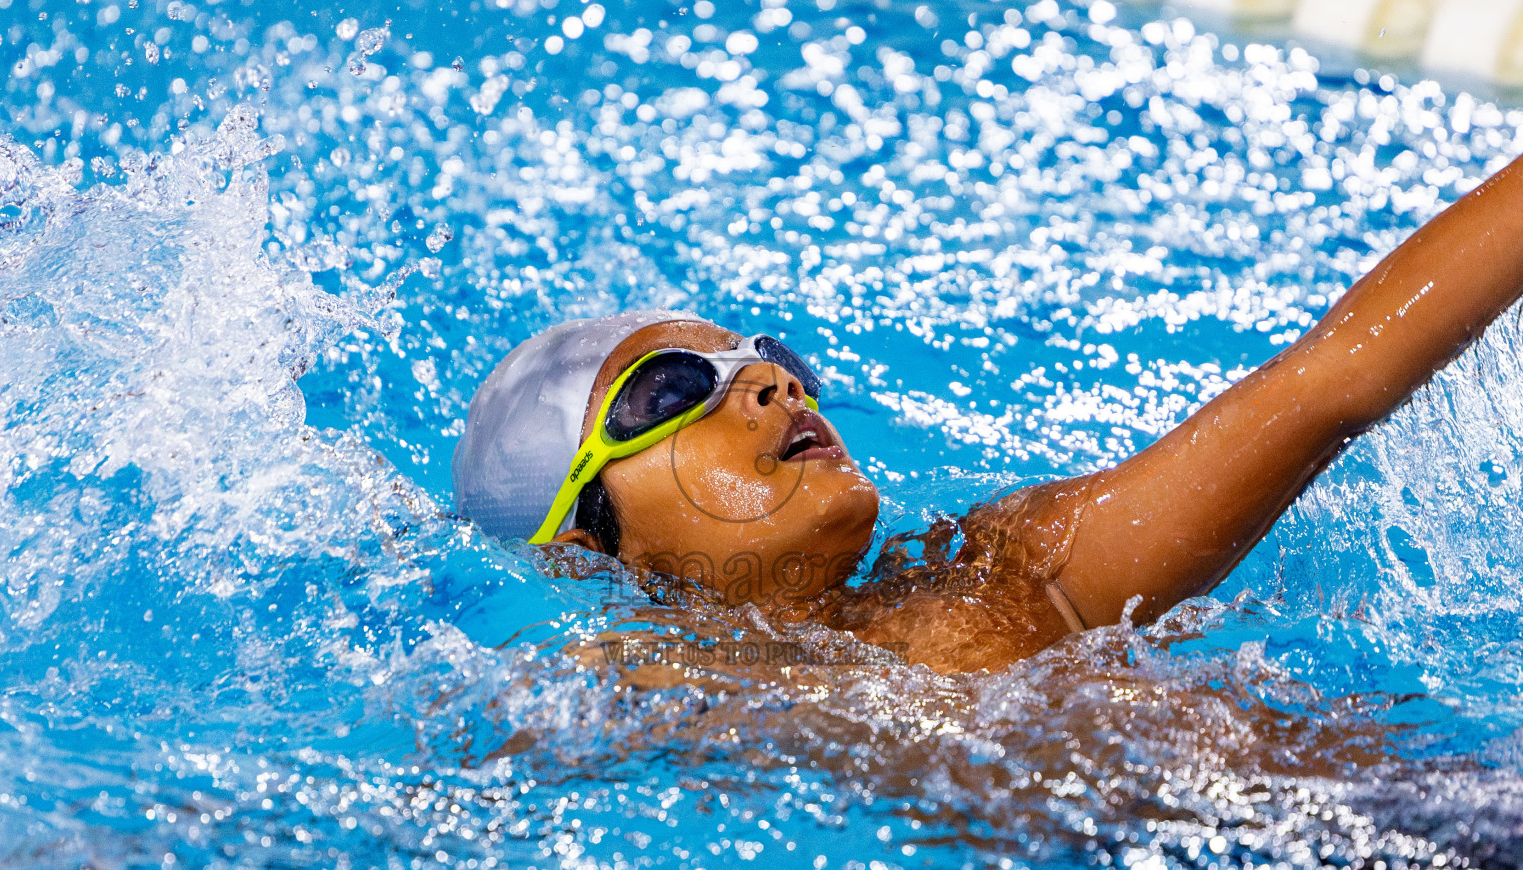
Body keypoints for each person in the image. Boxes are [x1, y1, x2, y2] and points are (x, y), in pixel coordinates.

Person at [453, 151, 1523, 675]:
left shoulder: (1002, 574)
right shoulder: (632, 697)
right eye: (676, 388)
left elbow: (1327, 382)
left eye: (764, 357)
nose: (772, 384)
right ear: (585, 551)